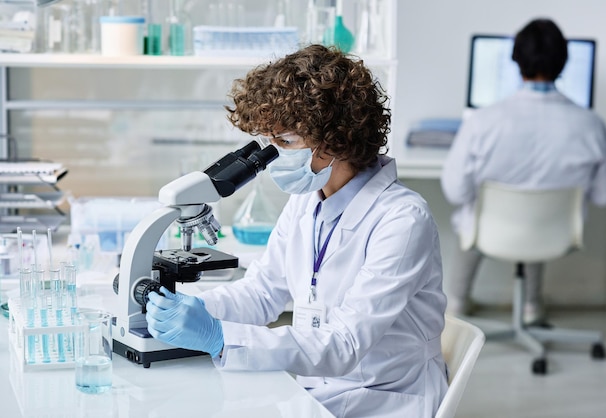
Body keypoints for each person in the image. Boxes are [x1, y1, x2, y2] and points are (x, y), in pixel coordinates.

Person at [145, 44, 448, 418]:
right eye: (270, 141)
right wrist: (193, 310)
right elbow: (262, 294)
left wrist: (218, 335)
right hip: (315, 385)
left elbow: (344, 344)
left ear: (336, 141)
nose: (274, 157)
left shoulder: (403, 220)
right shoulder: (309, 199)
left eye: (285, 142)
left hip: (382, 397)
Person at [441, 18, 606, 323]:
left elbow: (455, 191)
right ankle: (532, 306)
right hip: (555, 234)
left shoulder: (482, 122)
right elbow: (604, 196)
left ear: (515, 60)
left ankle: (456, 303)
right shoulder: (591, 125)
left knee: (472, 213)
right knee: (538, 216)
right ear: (563, 62)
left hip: (490, 233)